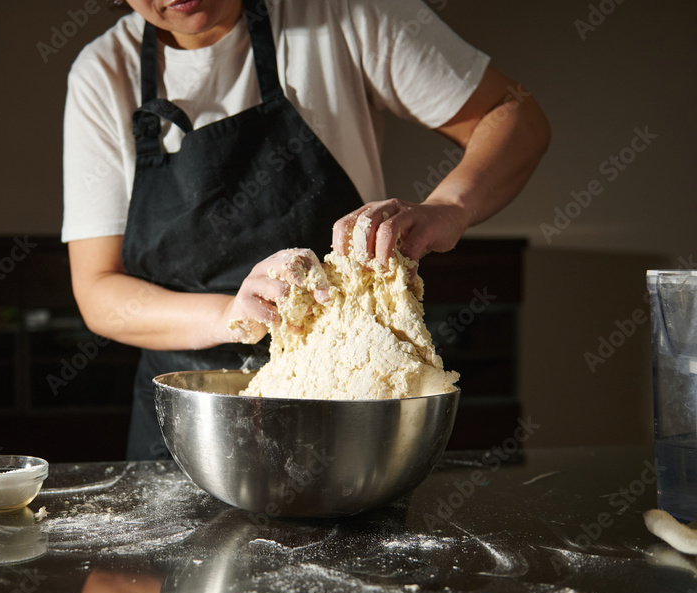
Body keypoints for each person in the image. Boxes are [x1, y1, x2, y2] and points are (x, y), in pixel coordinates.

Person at [61, 0, 550, 460]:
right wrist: (230, 314)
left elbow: (514, 114)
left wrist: (450, 205)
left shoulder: (340, 12)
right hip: (189, 424)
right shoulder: (105, 71)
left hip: (347, 404)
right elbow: (98, 290)